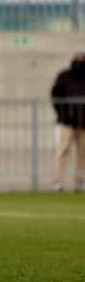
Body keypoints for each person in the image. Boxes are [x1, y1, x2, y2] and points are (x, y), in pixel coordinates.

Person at [50, 50, 85, 192]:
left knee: (82, 154)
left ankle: (80, 182)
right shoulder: (64, 76)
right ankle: (58, 181)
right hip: (67, 122)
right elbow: (55, 96)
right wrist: (63, 113)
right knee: (63, 151)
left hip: (84, 122)